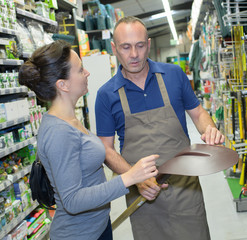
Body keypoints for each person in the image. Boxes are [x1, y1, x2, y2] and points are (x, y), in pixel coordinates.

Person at [95, 16, 225, 240]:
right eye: (126, 47)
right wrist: (134, 178)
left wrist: (209, 128)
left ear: (149, 43)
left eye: (140, 45)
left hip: (186, 187)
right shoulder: (106, 95)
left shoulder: (173, 75)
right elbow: (106, 149)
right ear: (115, 48)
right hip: (143, 194)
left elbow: (199, 113)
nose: (134, 54)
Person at [19, 40, 161, 240]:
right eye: (80, 70)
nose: (87, 73)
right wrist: (129, 177)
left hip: (97, 227)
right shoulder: (58, 131)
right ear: (63, 84)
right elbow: (73, 200)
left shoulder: (69, 120)